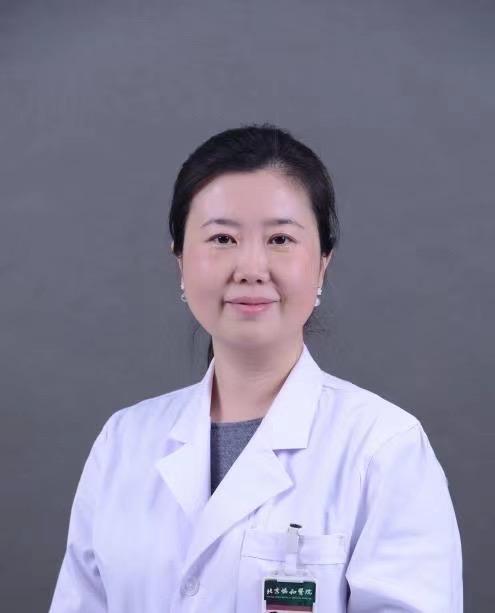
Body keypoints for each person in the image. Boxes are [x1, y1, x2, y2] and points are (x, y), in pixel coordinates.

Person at [49, 123, 462, 612]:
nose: (250, 267)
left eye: (280, 239)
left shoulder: (384, 449)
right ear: (180, 260)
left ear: (323, 261)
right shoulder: (123, 442)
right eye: (222, 238)